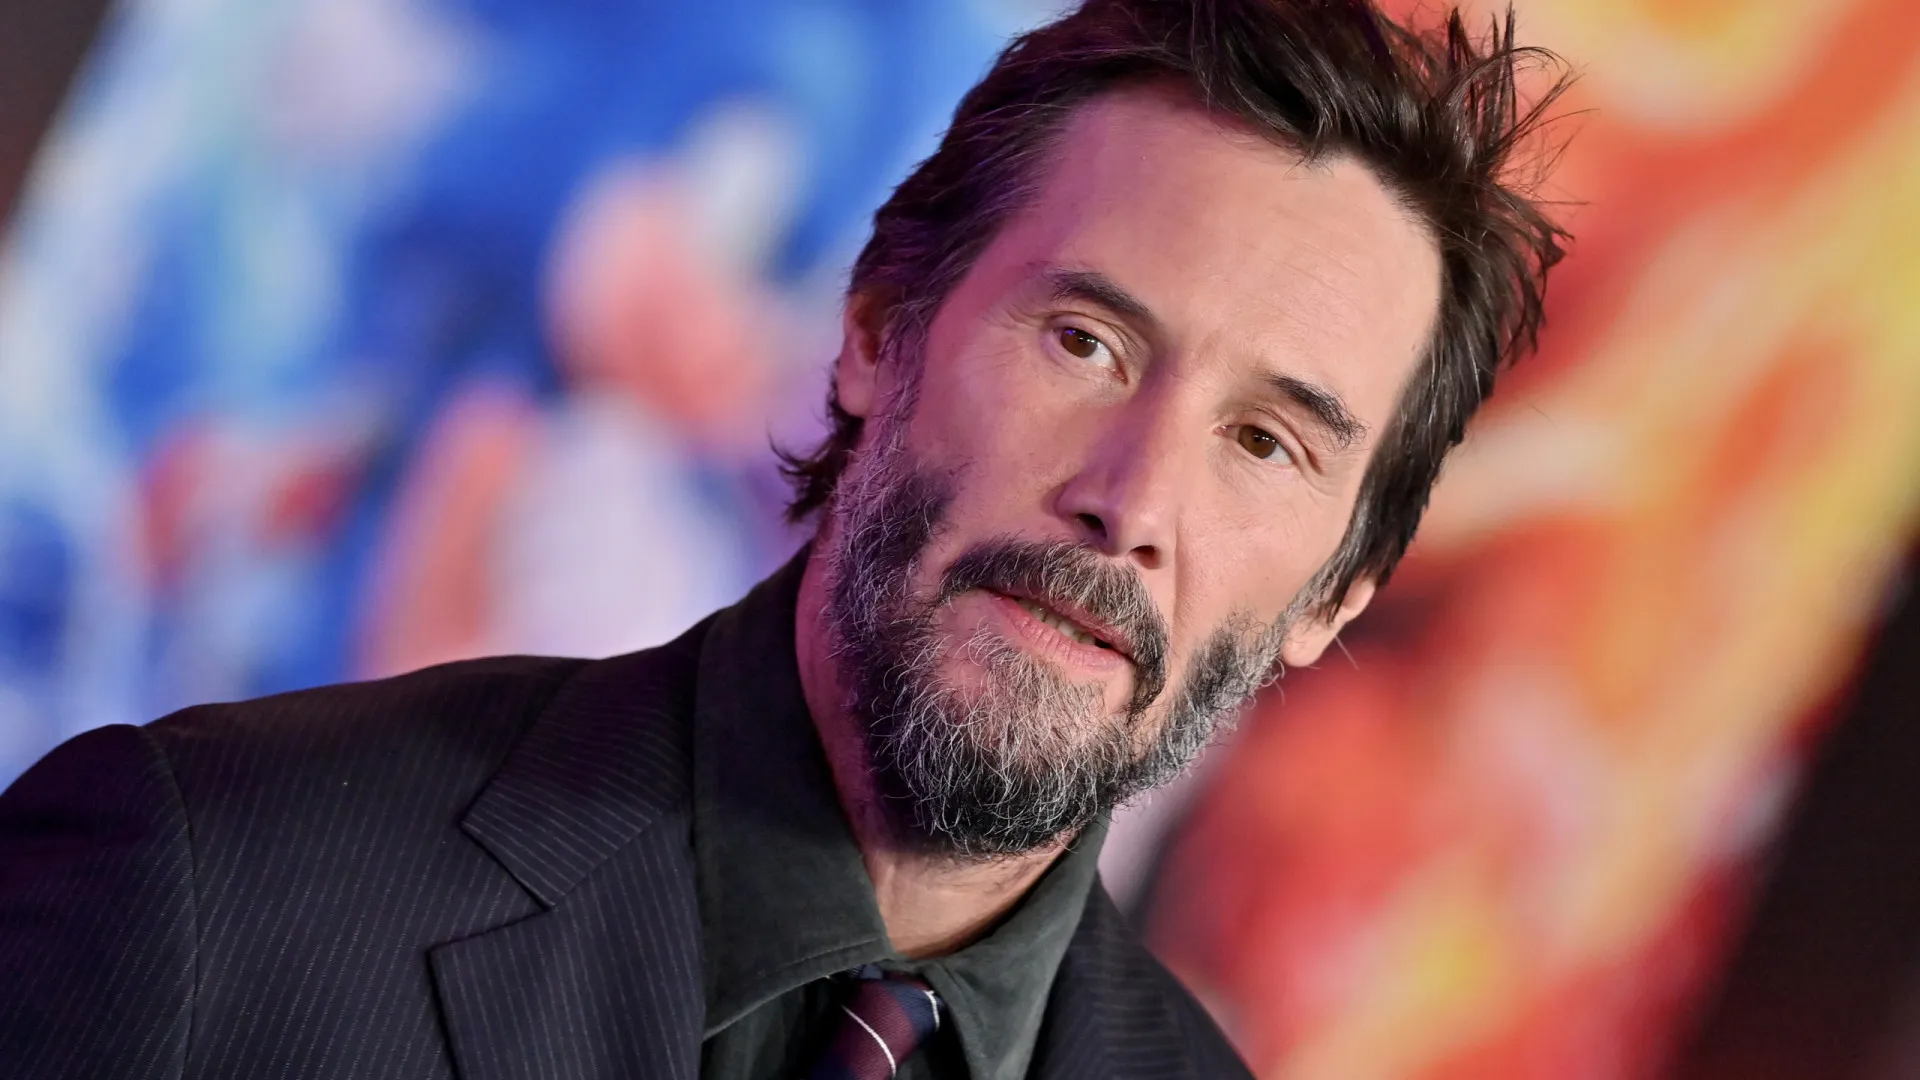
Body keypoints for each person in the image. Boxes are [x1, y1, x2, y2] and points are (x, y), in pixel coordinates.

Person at [0, 1, 1567, 1077]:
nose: (1132, 500)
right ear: (879, 331)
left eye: (1266, 443)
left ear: (1336, 594)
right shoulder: (200, 895)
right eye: (1086, 342)